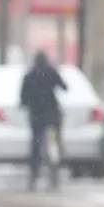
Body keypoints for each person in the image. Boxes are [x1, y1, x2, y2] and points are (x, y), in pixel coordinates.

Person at [20, 51, 67, 191]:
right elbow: (65, 87)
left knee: (36, 146)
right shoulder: (51, 73)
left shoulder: (29, 76)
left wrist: (27, 103)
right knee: (54, 143)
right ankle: (54, 172)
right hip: (53, 115)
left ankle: (34, 175)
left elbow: (22, 98)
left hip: (36, 116)